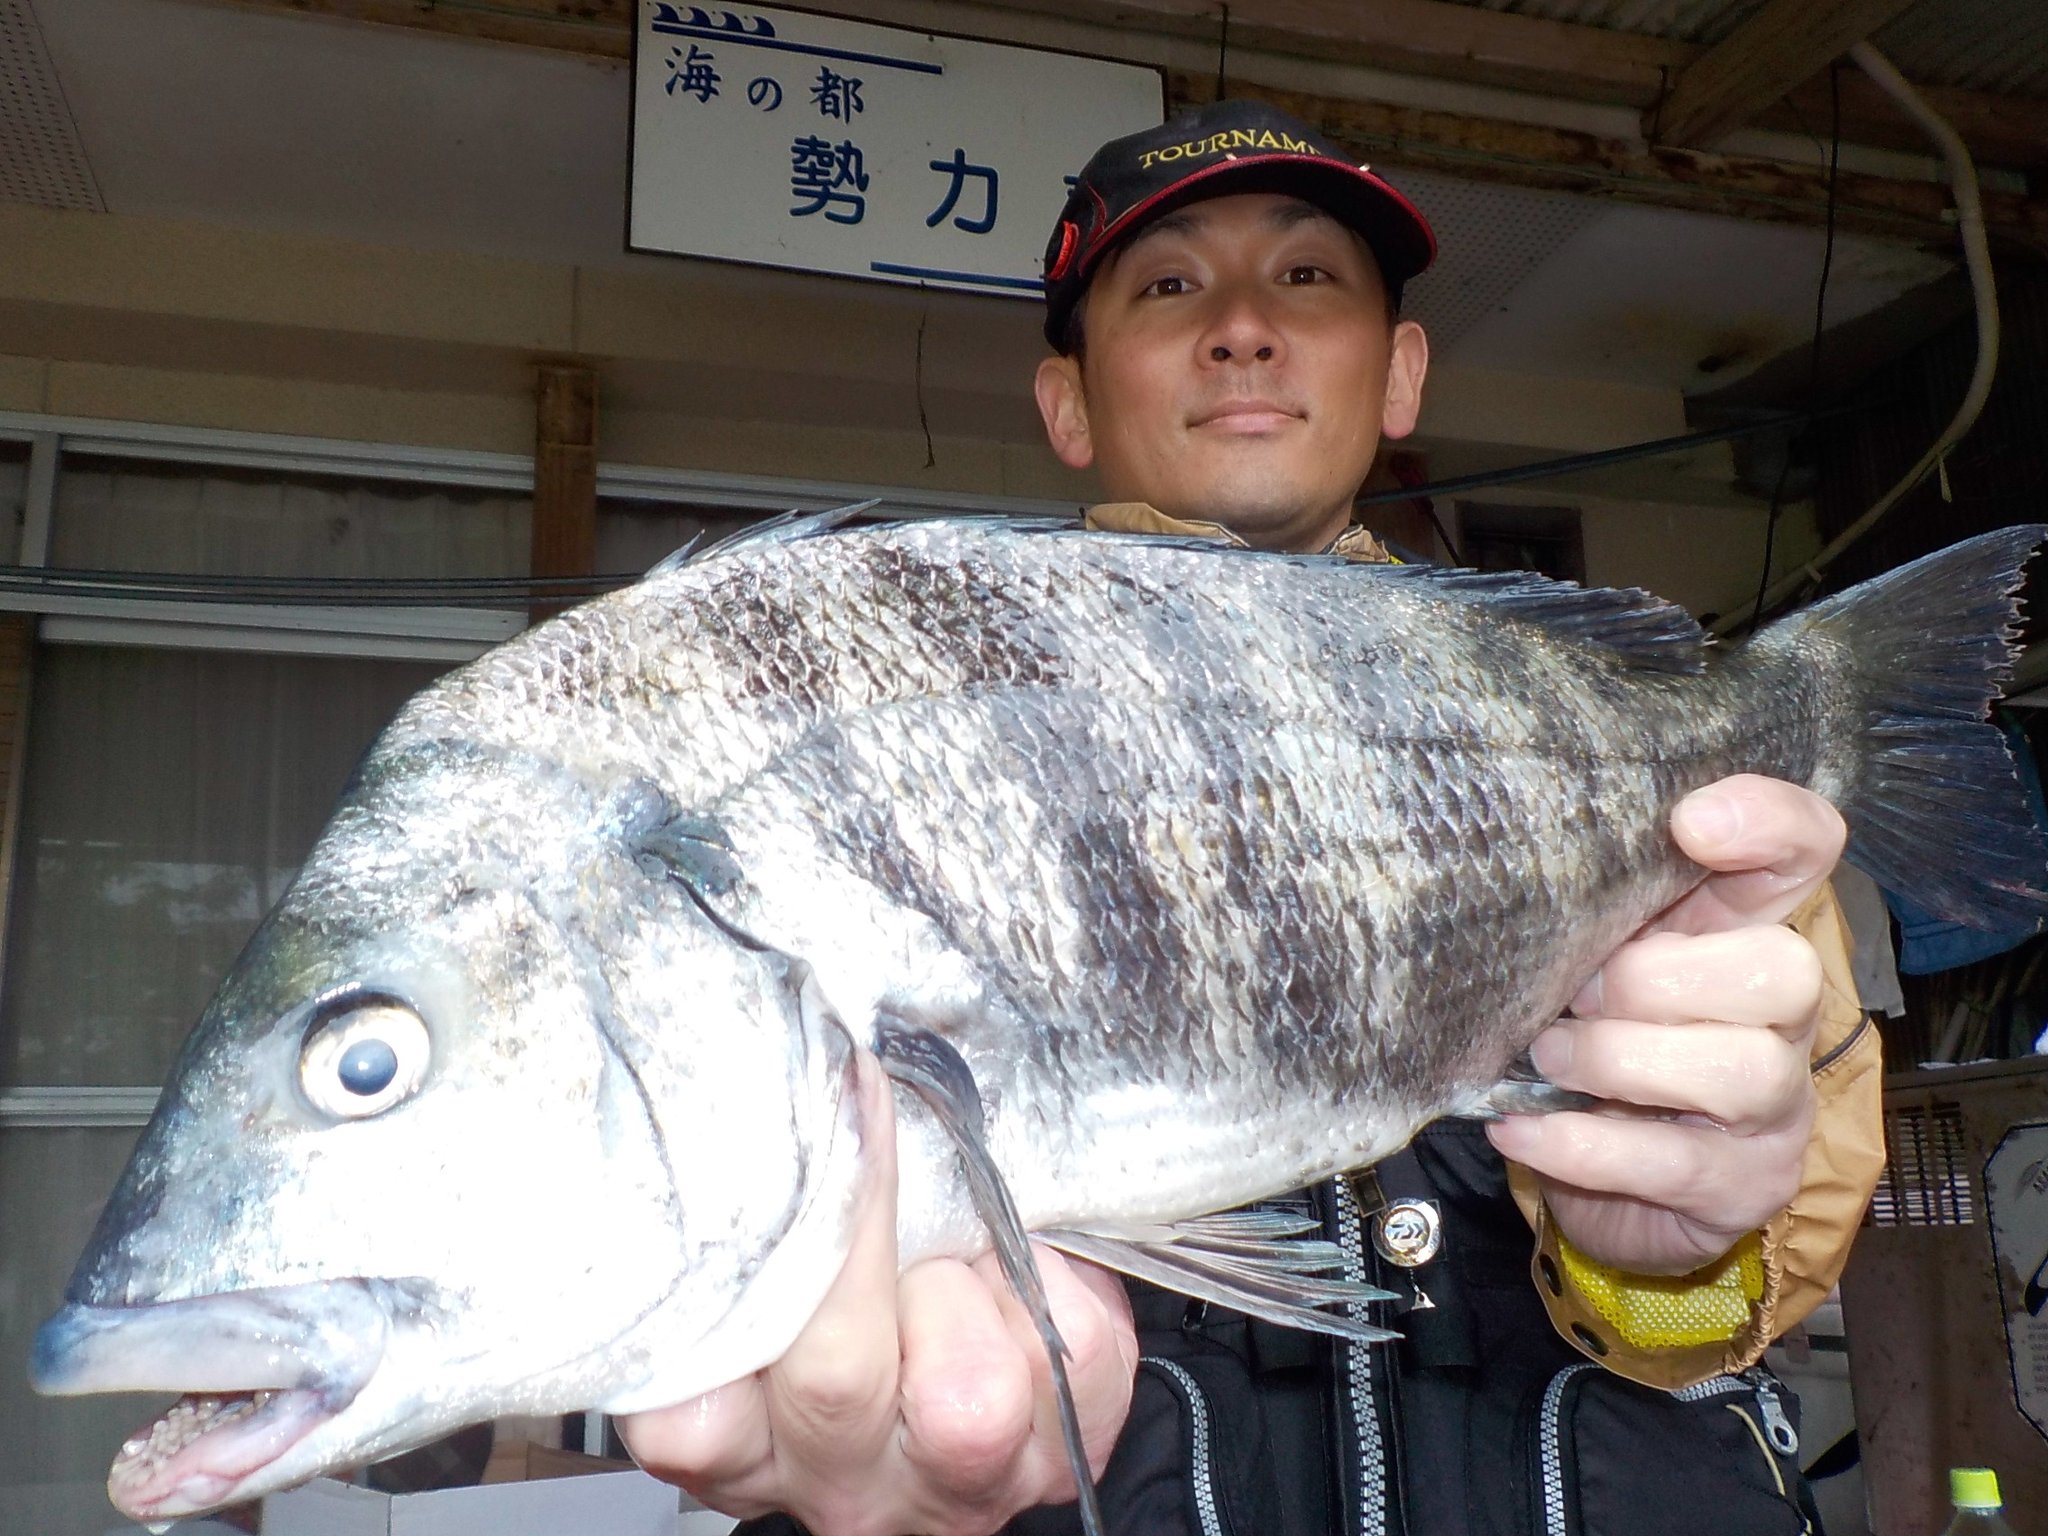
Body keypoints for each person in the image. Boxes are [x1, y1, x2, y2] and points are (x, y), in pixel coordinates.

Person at [619, 101, 1883, 1535]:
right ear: (1069, 403)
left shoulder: (1636, 768)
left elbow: (1739, 1306)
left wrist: (1670, 1261)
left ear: (1400, 373)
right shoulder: (910, 733)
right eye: (1167, 286)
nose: (1240, 328)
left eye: (1305, 279)